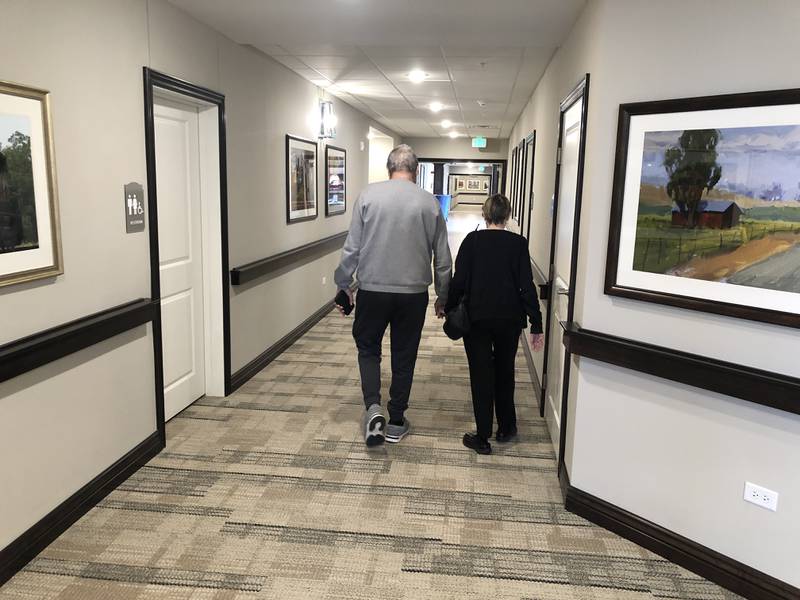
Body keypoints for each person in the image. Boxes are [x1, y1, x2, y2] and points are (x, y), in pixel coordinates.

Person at [334, 144, 452, 447]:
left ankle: (373, 406)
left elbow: (352, 248)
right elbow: (442, 257)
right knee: (404, 354)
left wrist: (343, 283)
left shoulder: (368, 196)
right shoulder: (429, 203)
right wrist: (443, 295)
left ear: (390, 169)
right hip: (412, 294)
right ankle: (396, 420)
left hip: (373, 290)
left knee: (368, 348)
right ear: (414, 171)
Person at [445, 194, 544, 455]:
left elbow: (459, 281)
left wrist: (447, 306)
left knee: (480, 375)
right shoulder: (518, 244)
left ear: (484, 214)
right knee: (504, 371)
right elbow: (526, 286)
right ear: (508, 215)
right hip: (509, 321)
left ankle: (483, 435)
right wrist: (536, 322)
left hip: (476, 319)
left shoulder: (471, 241)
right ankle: (506, 427)